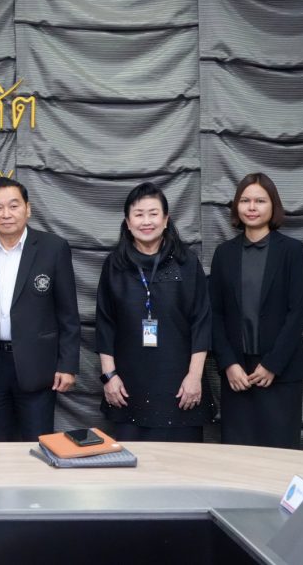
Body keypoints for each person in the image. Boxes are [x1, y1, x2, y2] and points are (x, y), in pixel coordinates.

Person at [0, 176, 80, 441]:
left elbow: (68, 314)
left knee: (38, 445)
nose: (6, 214)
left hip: (38, 366)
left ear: (28, 209)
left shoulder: (53, 248)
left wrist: (68, 365)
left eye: (13, 206)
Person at [95, 182, 213, 442]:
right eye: (139, 214)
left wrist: (194, 377)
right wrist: (109, 377)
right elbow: (105, 323)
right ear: (128, 222)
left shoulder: (186, 262)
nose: (146, 221)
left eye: (153, 213)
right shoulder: (114, 265)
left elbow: (201, 322)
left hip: (181, 386)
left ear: (166, 219)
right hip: (128, 386)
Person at [210, 173, 303, 449]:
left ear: (273, 206)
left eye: (260, 201)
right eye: (245, 200)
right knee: (238, 456)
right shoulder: (223, 254)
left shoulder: (292, 251)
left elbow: (297, 314)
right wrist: (229, 364)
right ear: (237, 206)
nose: (251, 207)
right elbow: (215, 315)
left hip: (281, 373)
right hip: (237, 375)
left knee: (280, 455)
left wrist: (272, 365)